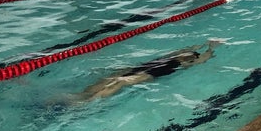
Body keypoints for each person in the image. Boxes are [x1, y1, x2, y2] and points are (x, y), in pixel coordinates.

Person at [73, 41, 219, 101]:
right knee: (112, 77)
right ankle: (82, 95)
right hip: (144, 67)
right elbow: (191, 48)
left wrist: (211, 48)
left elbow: (203, 58)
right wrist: (205, 43)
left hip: (149, 74)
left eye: (189, 55)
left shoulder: (186, 62)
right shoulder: (176, 55)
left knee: (120, 81)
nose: (186, 53)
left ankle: (89, 101)